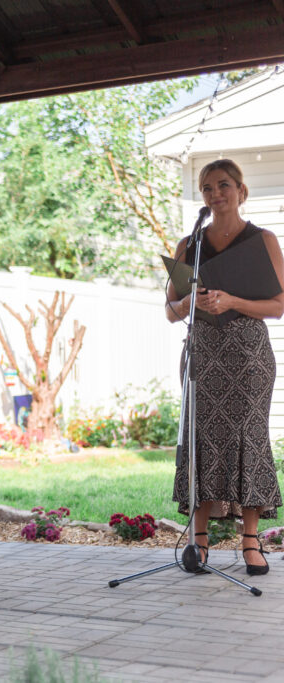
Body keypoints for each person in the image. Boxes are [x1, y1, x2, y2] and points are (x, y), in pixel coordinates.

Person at [165, 159, 284, 575]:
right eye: (208, 188)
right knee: (200, 439)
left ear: (240, 190)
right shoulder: (189, 246)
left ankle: (251, 543)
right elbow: (169, 310)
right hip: (203, 356)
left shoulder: (263, 240)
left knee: (248, 439)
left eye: (224, 185)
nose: (216, 194)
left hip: (249, 357)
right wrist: (189, 303)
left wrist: (232, 302)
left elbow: (279, 304)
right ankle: (198, 543)